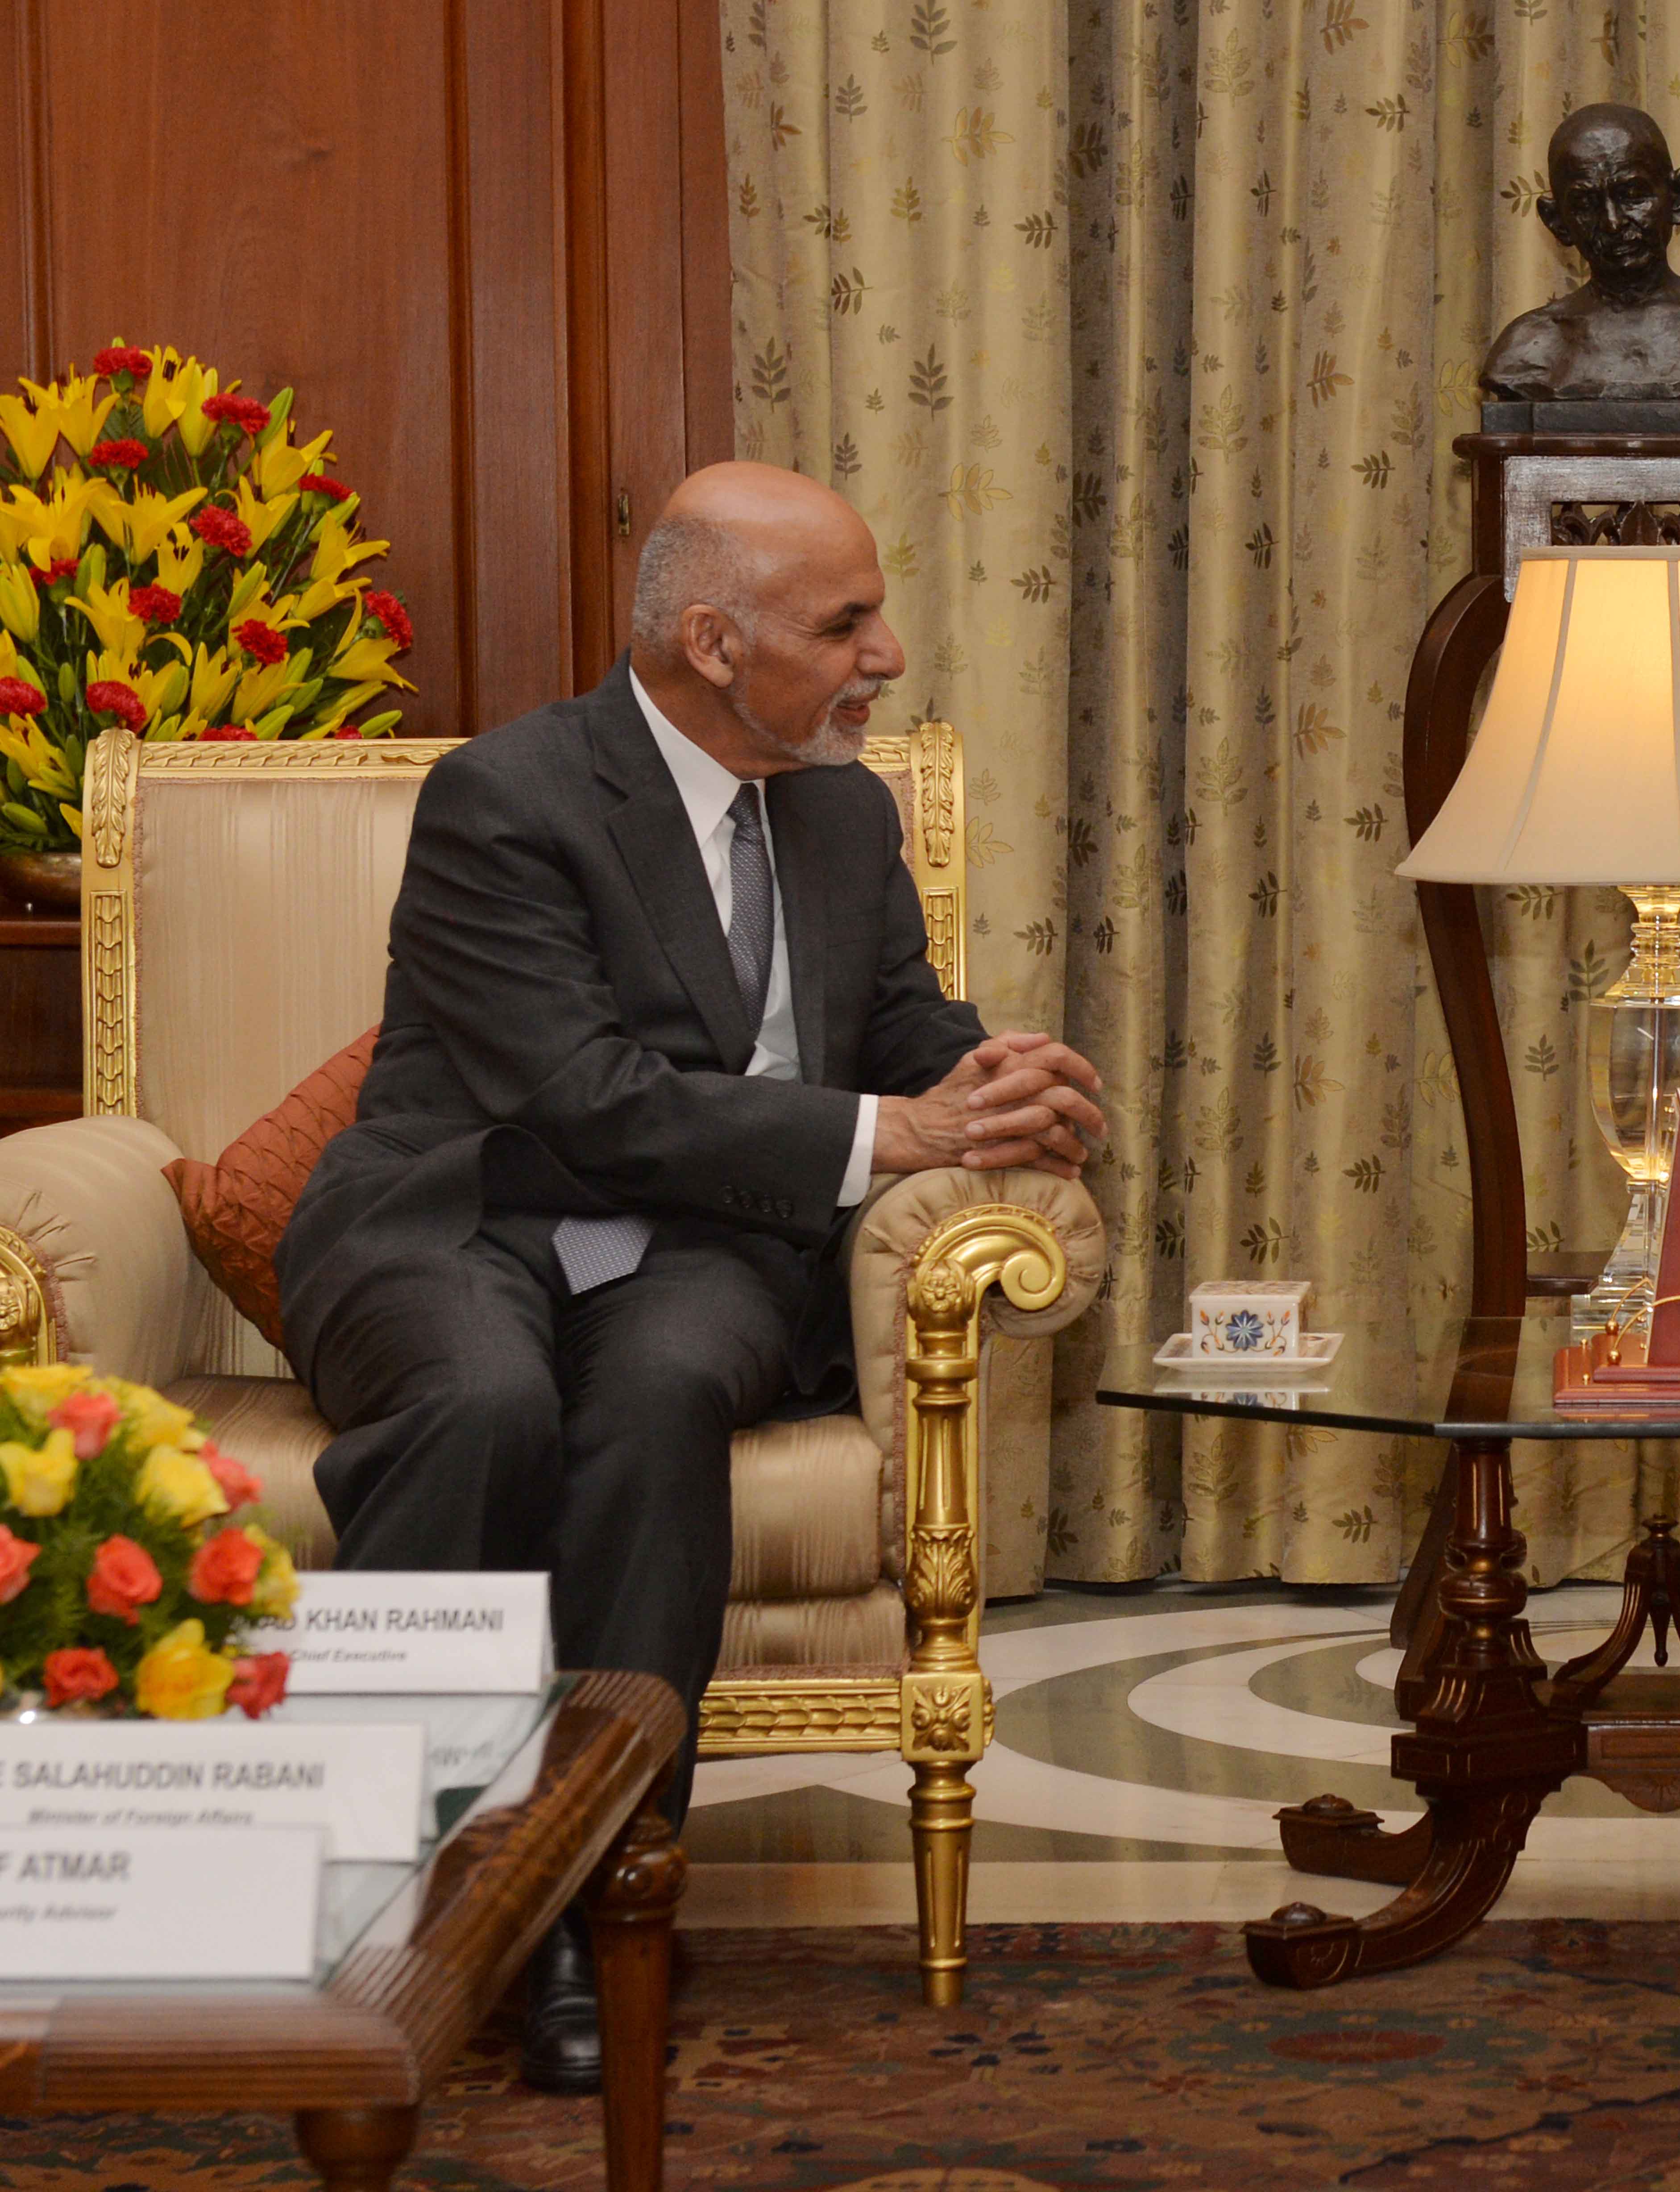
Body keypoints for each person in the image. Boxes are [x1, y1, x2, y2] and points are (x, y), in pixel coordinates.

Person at [277, 462, 1103, 2092]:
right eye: (846, 622)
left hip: (712, 1237)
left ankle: (594, 1900)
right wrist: (897, 1124)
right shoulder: (507, 796)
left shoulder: (846, 807)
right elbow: (580, 1095)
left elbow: (895, 1025)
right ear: (718, 644)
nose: (886, 653)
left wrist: (995, 1074)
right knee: (482, 1401)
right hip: (470, 1209)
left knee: (657, 1402)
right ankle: (377, 1878)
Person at [1479, 103, 1680, 406]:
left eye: (1633, 194)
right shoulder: (1528, 351)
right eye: (1585, 204)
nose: (1612, 223)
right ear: (1557, 221)